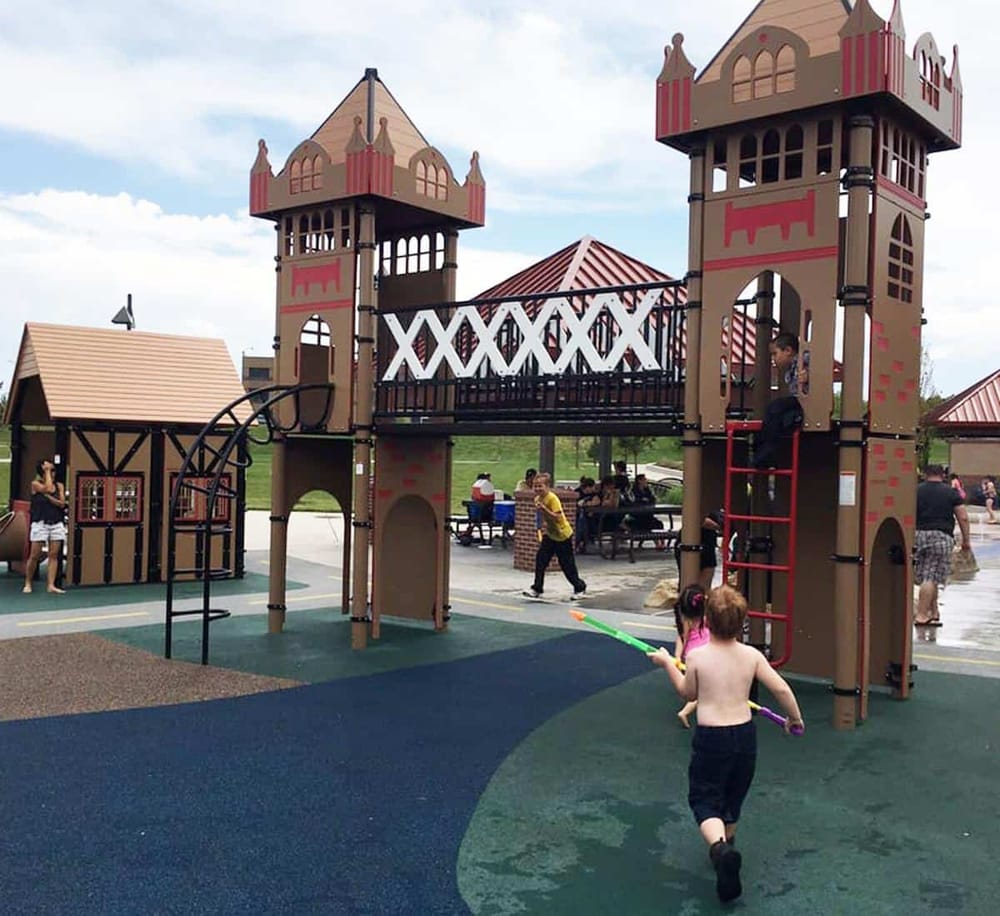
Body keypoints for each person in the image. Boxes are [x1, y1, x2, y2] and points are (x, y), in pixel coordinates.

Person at [648, 585, 805, 903]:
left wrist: (667, 663)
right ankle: (727, 845)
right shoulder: (752, 656)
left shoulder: (697, 656)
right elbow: (783, 690)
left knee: (705, 799)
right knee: (733, 791)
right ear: (743, 622)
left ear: (707, 618)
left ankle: (719, 850)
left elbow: (687, 693)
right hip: (745, 737)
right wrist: (794, 719)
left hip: (711, 738)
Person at [914, 464, 970, 626]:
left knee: (928, 574)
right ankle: (922, 615)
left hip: (918, 535)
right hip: (941, 536)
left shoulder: (916, 491)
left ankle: (933, 611)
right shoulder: (950, 492)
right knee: (931, 577)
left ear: (925, 474)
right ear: (943, 475)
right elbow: (963, 517)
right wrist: (966, 541)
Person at [523, 473, 587, 600]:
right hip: (550, 535)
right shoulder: (537, 499)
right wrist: (539, 528)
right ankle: (537, 588)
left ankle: (580, 588)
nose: (537, 489)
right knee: (540, 561)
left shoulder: (552, 499)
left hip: (563, 535)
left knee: (566, 565)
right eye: (535, 486)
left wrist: (544, 509)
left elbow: (557, 517)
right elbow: (540, 516)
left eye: (540, 486)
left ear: (547, 486)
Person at [751, 331, 807, 469]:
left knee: (775, 407)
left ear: (788, 350)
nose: (773, 359)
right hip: (799, 402)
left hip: (805, 402)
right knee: (775, 412)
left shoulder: (803, 359)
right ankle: (761, 451)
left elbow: (818, 367)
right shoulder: (791, 369)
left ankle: (766, 451)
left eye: (775, 354)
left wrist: (810, 375)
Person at [23, 457, 67, 595]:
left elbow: (62, 503)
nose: (53, 473)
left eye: (53, 470)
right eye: (50, 470)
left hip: (56, 522)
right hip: (40, 522)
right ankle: (28, 582)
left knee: (53, 554)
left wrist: (48, 497)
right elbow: (47, 488)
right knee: (35, 554)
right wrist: (47, 471)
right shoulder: (35, 484)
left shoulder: (59, 485)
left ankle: (51, 585)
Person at [673, 584, 709, 728]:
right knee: (705, 691)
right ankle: (685, 712)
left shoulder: (690, 620)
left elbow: (682, 639)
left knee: (700, 690)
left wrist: (678, 656)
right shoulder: (705, 619)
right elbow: (683, 638)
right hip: (705, 656)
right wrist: (677, 657)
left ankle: (685, 711)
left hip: (693, 657)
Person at [674, 509, 725, 590]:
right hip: (691, 542)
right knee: (688, 583)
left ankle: (703, 597)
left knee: (705, 582)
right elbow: (697, 519)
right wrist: (720, 526)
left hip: (708, 542)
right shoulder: (697, 501)